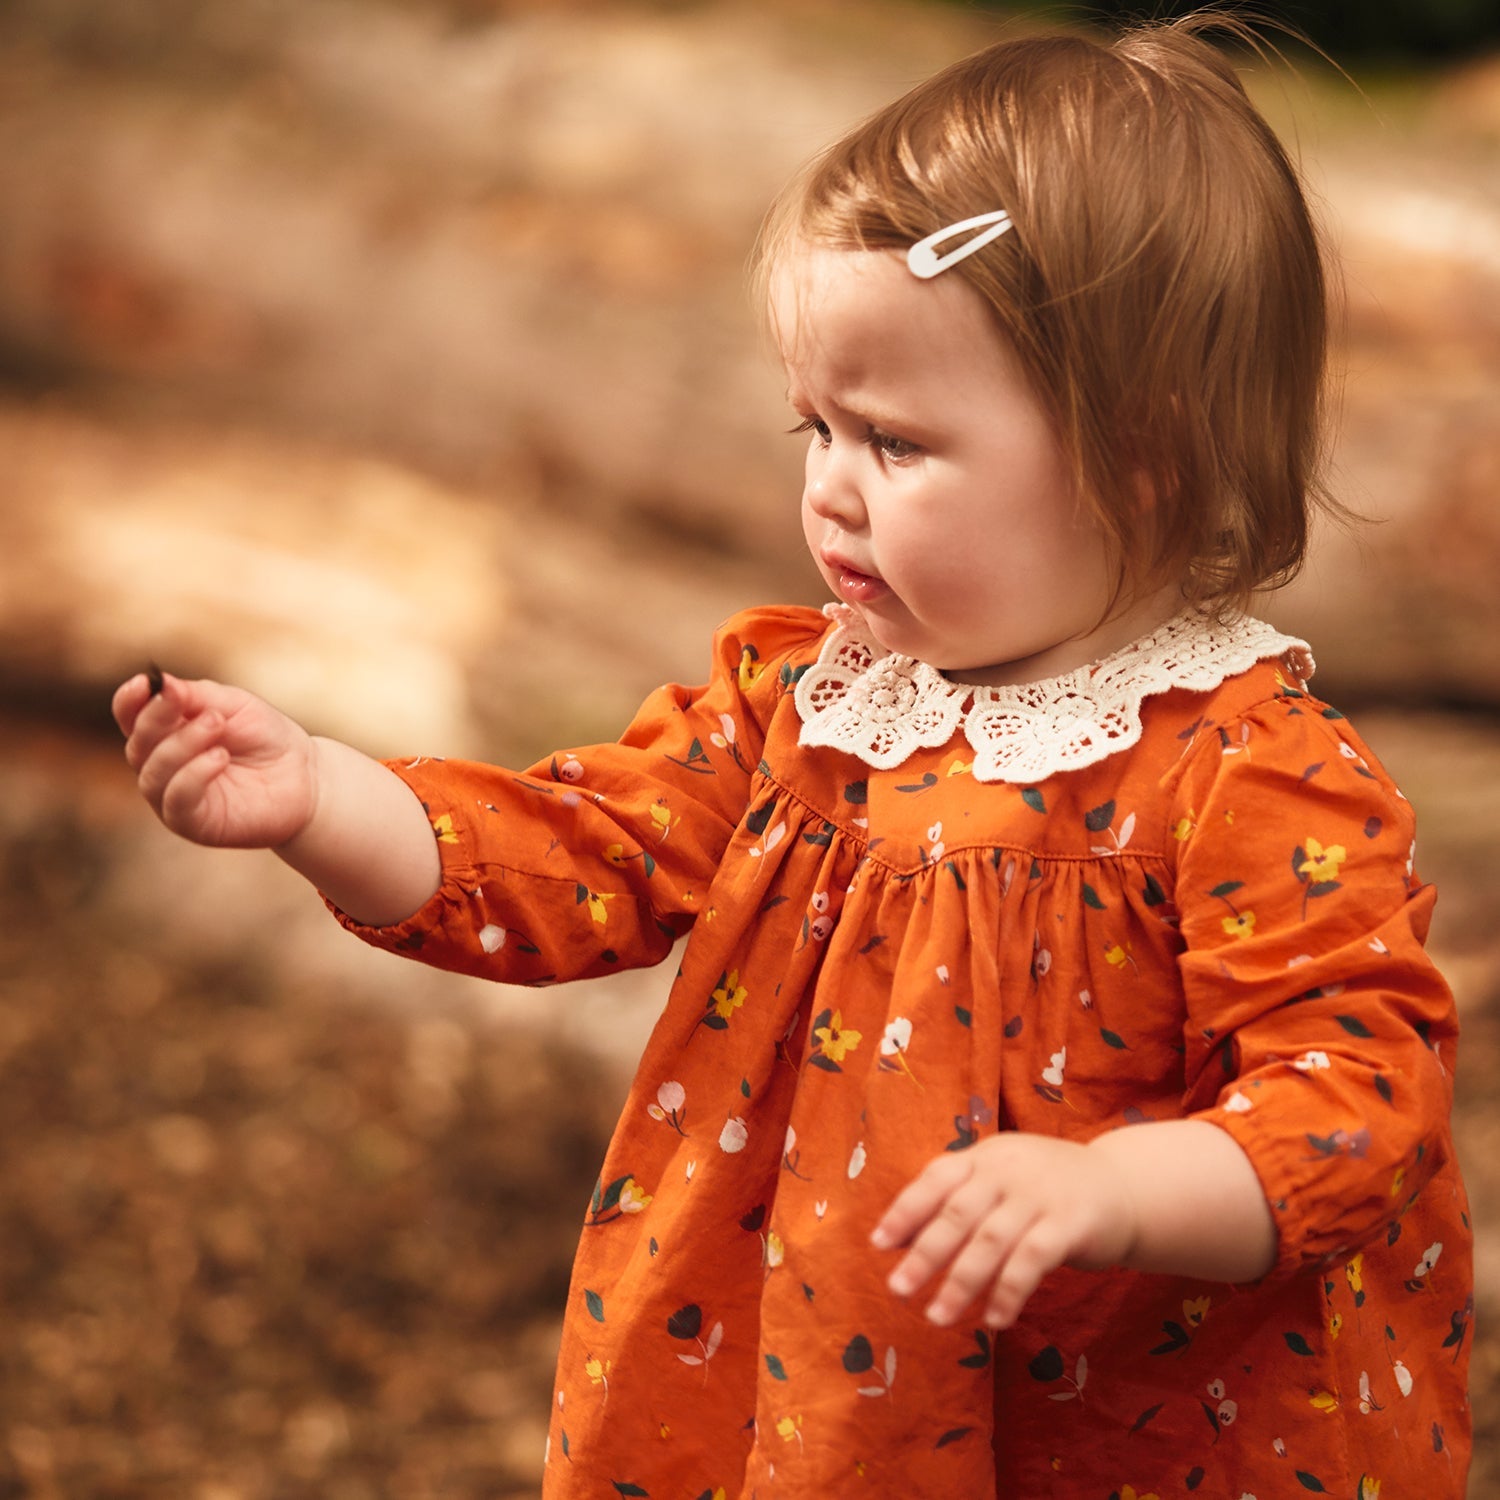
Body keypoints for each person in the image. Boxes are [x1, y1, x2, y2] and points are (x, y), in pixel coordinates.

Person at [114, 13, 1472, 1498]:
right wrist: (323, 796)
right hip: (830, 1392)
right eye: (810, 425)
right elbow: (583, 856)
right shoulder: (807, 711)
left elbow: (1352, 1096)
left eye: (892, 442)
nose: (827, 488)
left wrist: (1115, 1189)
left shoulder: (1246, 777)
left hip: (1136, 1423)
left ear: (1135, 457)